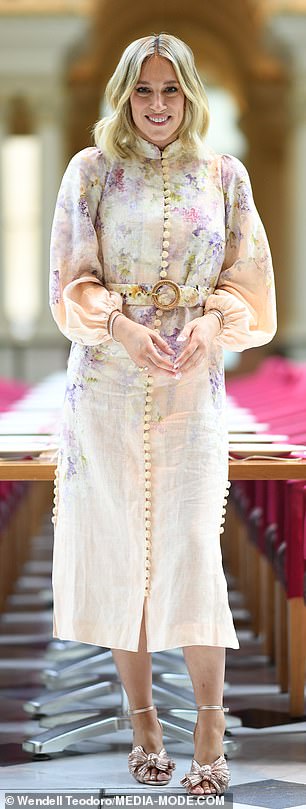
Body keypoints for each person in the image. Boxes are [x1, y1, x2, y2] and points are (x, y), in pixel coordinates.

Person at [49, 32, 277, 796]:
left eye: (169, 90)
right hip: (108, 384)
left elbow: (250, 278)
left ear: (189, 95)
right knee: (123, 555)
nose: (155, 105)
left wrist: (214, 322)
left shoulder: (226, 174)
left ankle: (209, 723)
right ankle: (144, 719)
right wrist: (119, 325)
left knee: (189, 546)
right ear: (123, 96)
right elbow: (70, 278)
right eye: (142, 91)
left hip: (192, 385)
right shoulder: (91, 172)